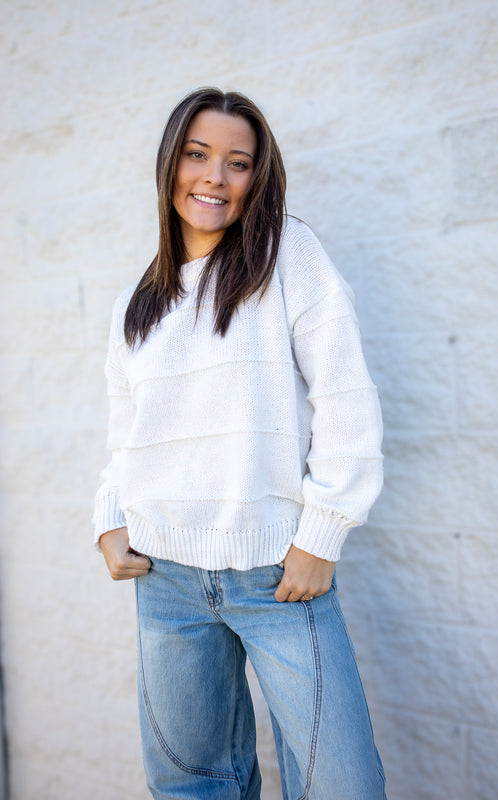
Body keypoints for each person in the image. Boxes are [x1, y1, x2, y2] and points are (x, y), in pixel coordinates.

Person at [94, 87, 386, 800]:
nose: (214, 179)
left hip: (276, 576)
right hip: (164, 578)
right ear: (170, 165)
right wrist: (108, 520)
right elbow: (124, 435)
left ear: (260, 176)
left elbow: (345, 397)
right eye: (197, 156)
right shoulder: (140, 300)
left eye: (237, 162)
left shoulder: (288, 253)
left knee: (339, 786)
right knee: (194, 786)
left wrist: (322, 534)